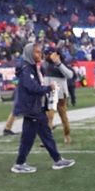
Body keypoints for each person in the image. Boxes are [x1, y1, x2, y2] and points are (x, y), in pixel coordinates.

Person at [11, 43, 75, 174]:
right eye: (36, 52)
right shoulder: (26, 69)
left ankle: (57, 160)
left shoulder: (31, 67)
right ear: (29, 53)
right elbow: (32, 88)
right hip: (30, 108)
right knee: (28, 138)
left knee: (46, 135)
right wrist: (48, 88)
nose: (39, 55)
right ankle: (19, 163)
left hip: (35, 107)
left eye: (40, 52)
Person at [43, 47, 74, 144]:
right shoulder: (46, 64)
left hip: (60, 94)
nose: (47, 56)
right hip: (50, 93)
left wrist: (59, 63)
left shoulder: (62, 64)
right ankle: (47, 139)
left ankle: (67, 135)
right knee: (48, 117)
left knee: (63, 116)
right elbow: (46, 78)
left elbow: (70, 75)